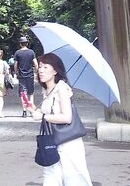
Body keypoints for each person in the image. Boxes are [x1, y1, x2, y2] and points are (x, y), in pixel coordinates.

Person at [28, 53, 92, 186]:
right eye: (40, 67)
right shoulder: (47, 89)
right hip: (53, 141)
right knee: (51, 177)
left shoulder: (61, 88)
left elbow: (66, 117)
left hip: (68, 142)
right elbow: (49, 111)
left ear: (55, 71)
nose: (41, 70)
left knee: (74, 178)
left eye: (46, 67)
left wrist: (43, 116)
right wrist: (34, 109)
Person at [14, 35, 39, 117]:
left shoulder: (17, 53)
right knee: (31, 93)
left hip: (21, 76)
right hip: (30, 75)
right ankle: (31, 111)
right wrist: (36, 73)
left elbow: (15, 65)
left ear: (20, 44)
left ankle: (24, 111)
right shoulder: (31, 52)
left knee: (23, 93)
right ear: (27, 43)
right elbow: (35, 63)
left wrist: (16, 72)